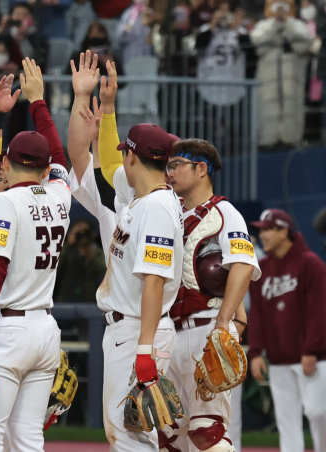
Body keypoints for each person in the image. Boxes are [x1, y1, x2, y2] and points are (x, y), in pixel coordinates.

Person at [67, 51, 183, 450]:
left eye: (124, 153)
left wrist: (146, 350)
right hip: (131, 328)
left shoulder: (156, 207)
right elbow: (104, 164)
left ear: (134, 156)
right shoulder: (140, 194)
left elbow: (154, 280)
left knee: (132, 438)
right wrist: (109, 107)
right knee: (131, 435)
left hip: (138, 329)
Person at [0, 58, 71, 450]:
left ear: (6, 161)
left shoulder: (3, 205)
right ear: (44, 169)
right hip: (44, 328)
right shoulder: (60, 194)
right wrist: (39, 104)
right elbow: (58, 154)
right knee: (27, 435)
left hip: (5, 328)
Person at [161, 139, 260, 451]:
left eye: (177, 164)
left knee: (207, 433)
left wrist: (223, 322)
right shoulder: (166, 210)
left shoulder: (225, 213)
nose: (169, 172)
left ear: (200, 168)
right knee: (169, 438)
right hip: (168, 333)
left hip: (205, 328)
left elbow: (243, 267)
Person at [248, 208, 326, 452]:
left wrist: (311, 350)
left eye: (267, 230)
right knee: (286, 420)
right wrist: (256, 352)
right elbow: (257, 315)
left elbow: (319, 312)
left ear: (283, 231)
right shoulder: (261, 269)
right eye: (260, 231)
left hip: (312, 357)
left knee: (317, 412)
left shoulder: (311, 264)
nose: (262, 236)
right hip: (278, 359)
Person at [250, 0, 313, 148]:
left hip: (291, 74)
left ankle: (291, 138)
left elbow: (306, 41)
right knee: (268, 107)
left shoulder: (296, 24)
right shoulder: (264, 25)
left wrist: (288, 26)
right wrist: (274, 29)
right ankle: (268, 140)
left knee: (292, 105)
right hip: (268, 75)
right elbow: (256, 41)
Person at [117, 0, 153, 67]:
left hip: (147, 51)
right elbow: (120, 35)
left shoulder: (150, 14)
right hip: (131, 52)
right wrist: (125, 30)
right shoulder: (128, 14)